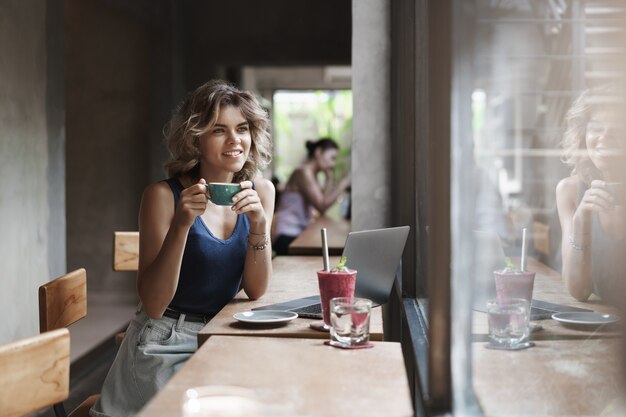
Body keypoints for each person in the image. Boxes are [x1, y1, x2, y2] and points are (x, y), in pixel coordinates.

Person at [90, 80, 275, 417]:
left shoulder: (261, 192)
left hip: (223, 336)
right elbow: (155, 304)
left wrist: (260, 225)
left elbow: (256, 289)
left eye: (243, 128)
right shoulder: (163, 196)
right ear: (196, 139)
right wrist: (181, 225)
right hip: (165, 341)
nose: (235, 140)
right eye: (219, 129)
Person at [556, 88, 626, 304]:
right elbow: (579, 291)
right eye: (596, 128)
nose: (604, 137)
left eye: (618, 130)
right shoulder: (569, 191)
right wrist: (581, 220)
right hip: (605, 326)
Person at [273, 138, 351, 255]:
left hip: (297, 233)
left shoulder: (310, 173)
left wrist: (329, 179)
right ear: (318, 152)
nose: (333, 164)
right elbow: (322, 206)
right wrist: (344, 183)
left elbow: (322, 201)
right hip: (286, 236)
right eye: (332, 158)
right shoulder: (303, 172)